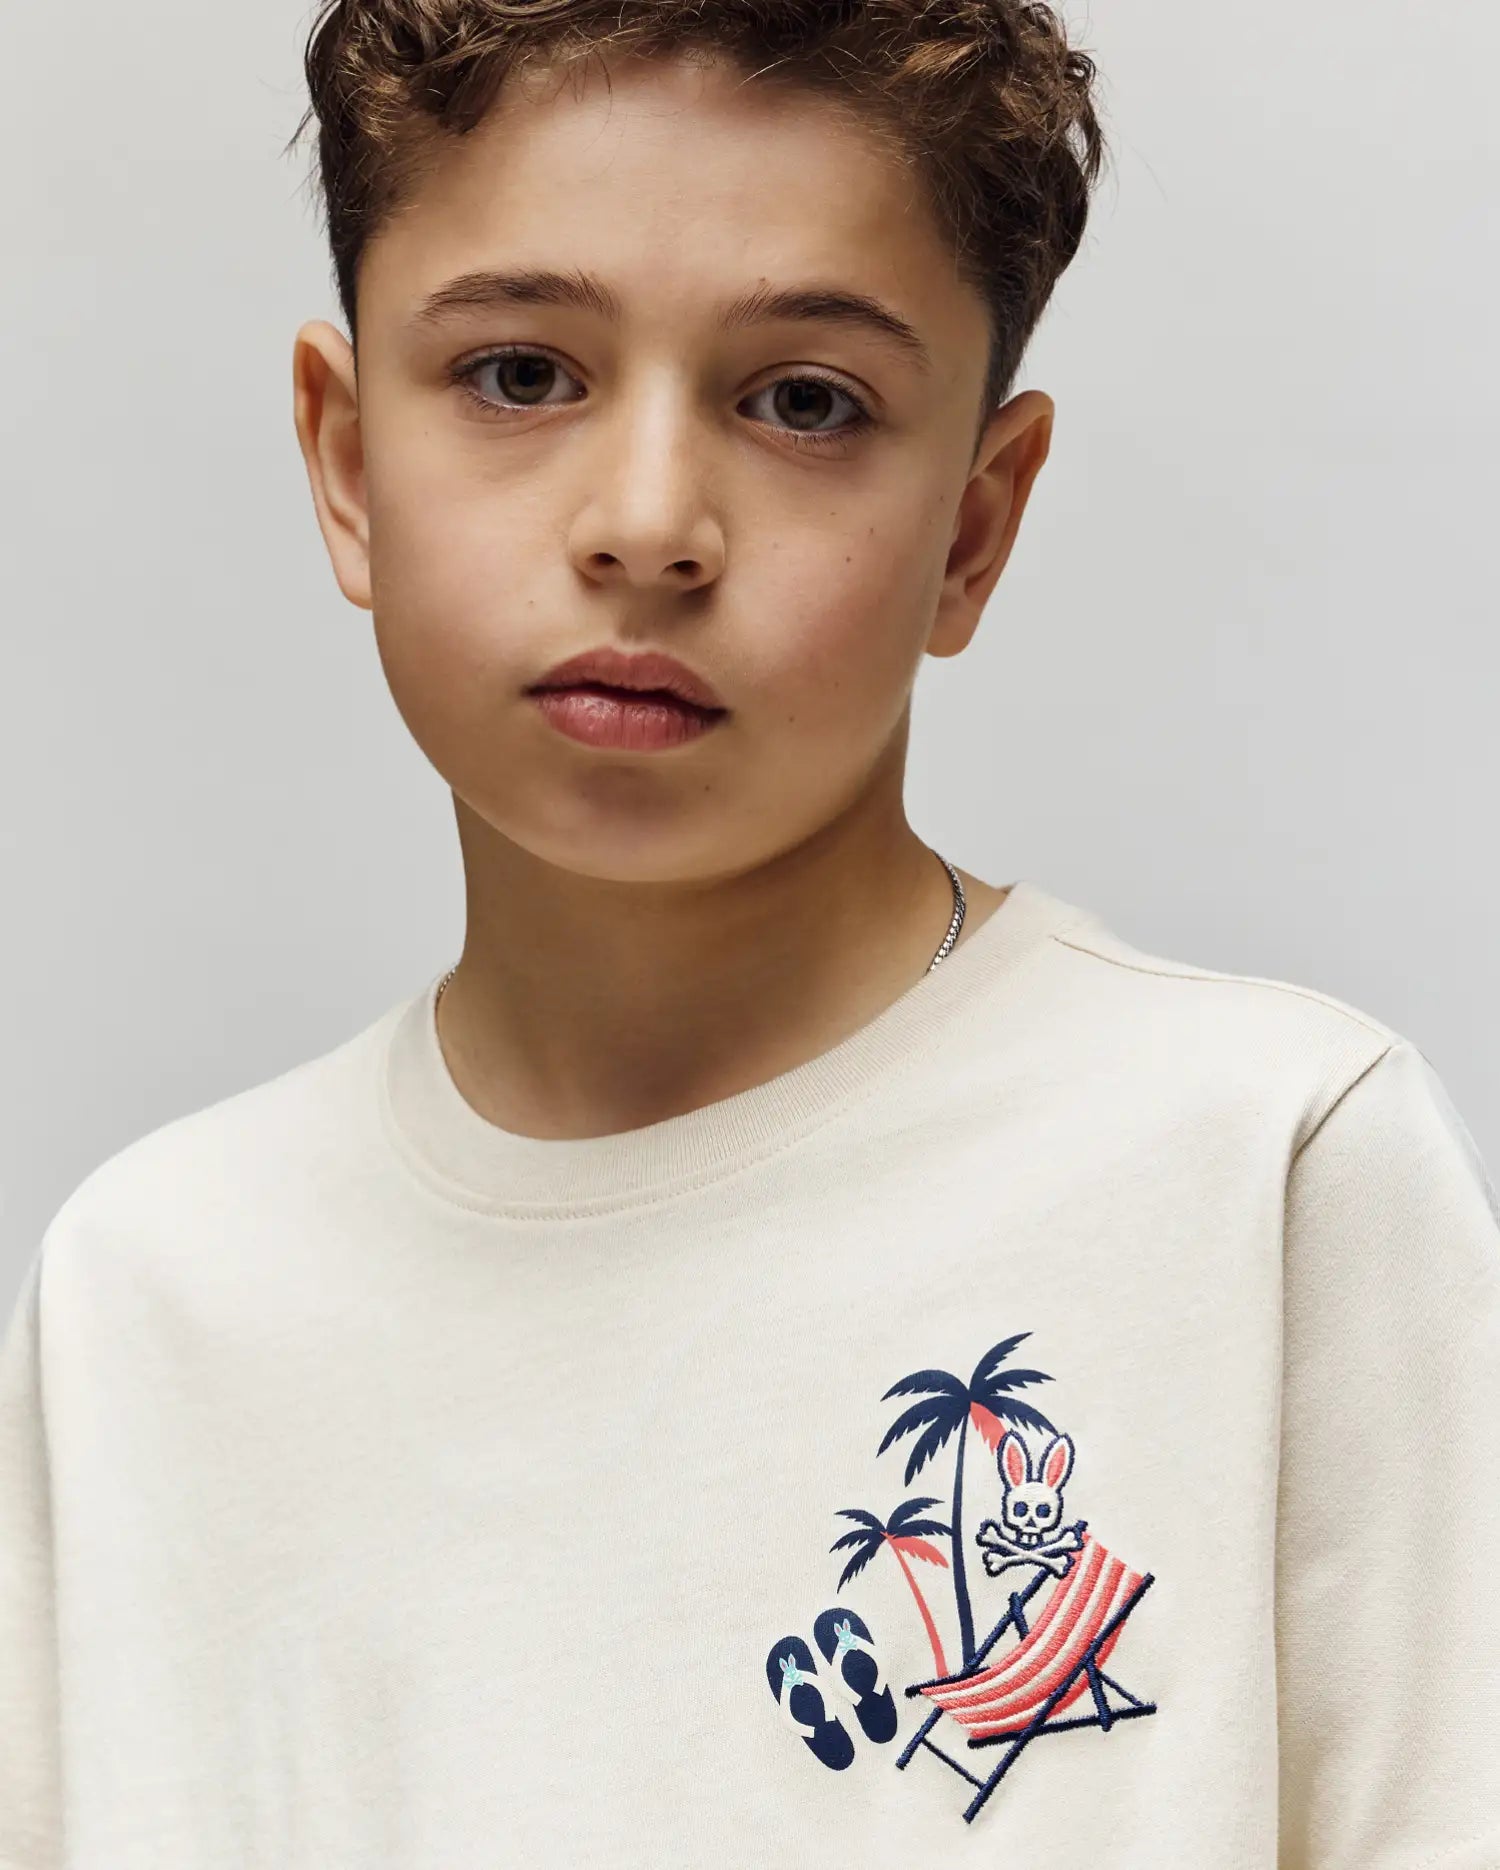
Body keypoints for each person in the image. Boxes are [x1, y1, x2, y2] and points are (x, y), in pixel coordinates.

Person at [2, 0, 1497, 1863]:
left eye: (806, 401)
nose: (647, 524)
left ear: (975, 524)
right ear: (345, 458)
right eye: (521, 375)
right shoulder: (149, 1296)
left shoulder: (1268, 1171)